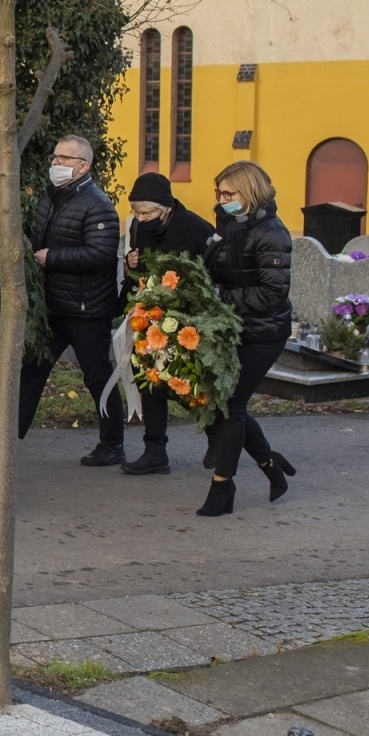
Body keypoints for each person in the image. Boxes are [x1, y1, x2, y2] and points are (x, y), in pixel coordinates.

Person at [0, 135, 124, 466]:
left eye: (64, 159)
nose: (55, 164)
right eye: (55, 158)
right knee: (32, 370)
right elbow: (38, 241)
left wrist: (52, 258)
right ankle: (6, 434)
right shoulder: (51, 198)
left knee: (97, 375)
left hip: (87, 309)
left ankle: (113, 444)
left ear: (84, 166)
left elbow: (102, 252)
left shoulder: (98, 205)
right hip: (53, 306)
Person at [196, 161, 295, 516]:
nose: (222, 200)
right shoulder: (229, 225)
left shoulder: (272, 233)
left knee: (230, 405)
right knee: (224, 403)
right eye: (219, 193)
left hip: (264, 333)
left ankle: (222, 487)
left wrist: (218, 297)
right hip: (234, 328)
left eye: (229, 194)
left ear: (249, 193)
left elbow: (273, 294)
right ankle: (271, 466)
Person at [118, 172, 215, 476]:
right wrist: (132, 264)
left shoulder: (196, 229)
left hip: (188, 320)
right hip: (151, 316)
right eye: (136, 212)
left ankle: (218, 442)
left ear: (167, 207)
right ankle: (154, 450)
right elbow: (140, 265)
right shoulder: (138, 225)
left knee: (190, 384)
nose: (141, 218)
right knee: (151, 382)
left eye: (147, 212)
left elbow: (210, 275)